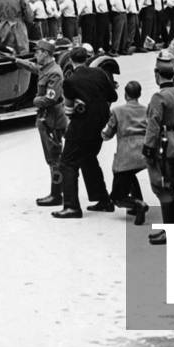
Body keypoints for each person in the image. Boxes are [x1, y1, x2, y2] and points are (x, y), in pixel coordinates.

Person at [53, 44, 117, 218]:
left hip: (81, 126)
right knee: (89, 159)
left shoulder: (70, 81)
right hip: (101, 123)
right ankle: (104, 200)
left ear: (70, 60)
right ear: (87, 59)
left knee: (67, 163)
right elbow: (113, 96)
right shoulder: (100, 74)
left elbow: (69, 110)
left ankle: (72, 206)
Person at [11, 39, 66, 206]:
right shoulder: (46, 68)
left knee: (54, 157)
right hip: (47, 118)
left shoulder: (54, 73)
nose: (36, 55)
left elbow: (50, 98)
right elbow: (33, 67)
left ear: (46, 54)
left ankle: (56, 195)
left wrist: (34, 101)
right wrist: (15, 60)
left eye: (38, 52)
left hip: (52, 119)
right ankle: (57, 193)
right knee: (52, 157)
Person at [143, 53, 174, 244]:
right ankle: (171, 230)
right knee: (171, 186)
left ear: (156, 74)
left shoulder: (159, 97)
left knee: (162, 189)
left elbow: (153, 124)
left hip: (163, 144)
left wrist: (148, 147)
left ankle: (170, 232)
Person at [103, 80, 150, 224]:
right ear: (139, 94)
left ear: (125, 95)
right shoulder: (147, 109)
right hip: (144, 152)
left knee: (117, 196)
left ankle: (137, 204)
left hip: (126, 154)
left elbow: (108, 133)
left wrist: (103, 134)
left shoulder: (117, 111)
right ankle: (138, 202)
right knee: (130, 175)